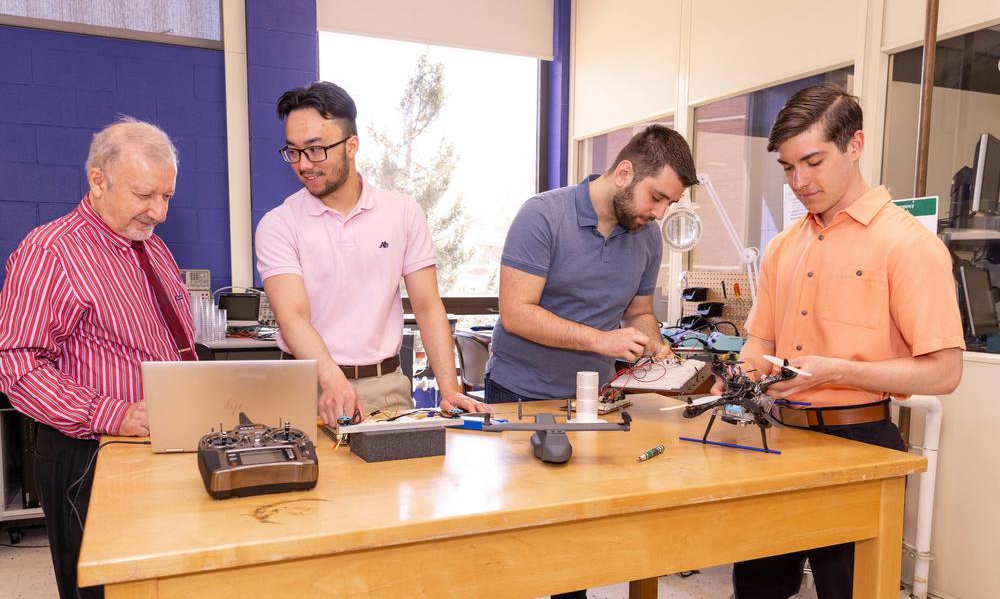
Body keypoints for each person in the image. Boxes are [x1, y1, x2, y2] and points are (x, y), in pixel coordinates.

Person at [726, 83, 965, 598]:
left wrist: (838, 371)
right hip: (779, 441)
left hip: (861, 445)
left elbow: (944, 372)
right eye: (788, 168)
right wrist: (742, 376)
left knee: (853, 592)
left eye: (812, 161)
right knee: (756, 590)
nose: (799, 181)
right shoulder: (782, 248)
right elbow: (759, 341)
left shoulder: (908, 246)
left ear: (854, 145)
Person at [0, 118, 195, 599]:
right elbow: (18, 367)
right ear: (98, 180)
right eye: (145, 195)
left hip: (155, 444)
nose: (160, 212)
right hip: (90, 454)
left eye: (167, 197)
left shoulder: (154, 249)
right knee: (102, 589)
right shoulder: (50, 251)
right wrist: (113, 414)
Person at [255, 81, 487, 426]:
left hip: (386, 387)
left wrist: (449, 389)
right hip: (306, 387)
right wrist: (332, 381)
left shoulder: (403, 213)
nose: (304, 164)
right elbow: (292, 318)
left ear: (352, 145)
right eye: (293, 151)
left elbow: (426, 305)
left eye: (316, 150)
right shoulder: (278, 224)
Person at [485, 124, 695, 406]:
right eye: (656, 197)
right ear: (624, 173)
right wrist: (600, 340)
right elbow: (516, 313)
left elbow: (638, 312)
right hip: (519, 392)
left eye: (670, 202)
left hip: (595, 396)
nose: (660, 213)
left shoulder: (649, 237)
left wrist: (652, 343)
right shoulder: (542, 215)